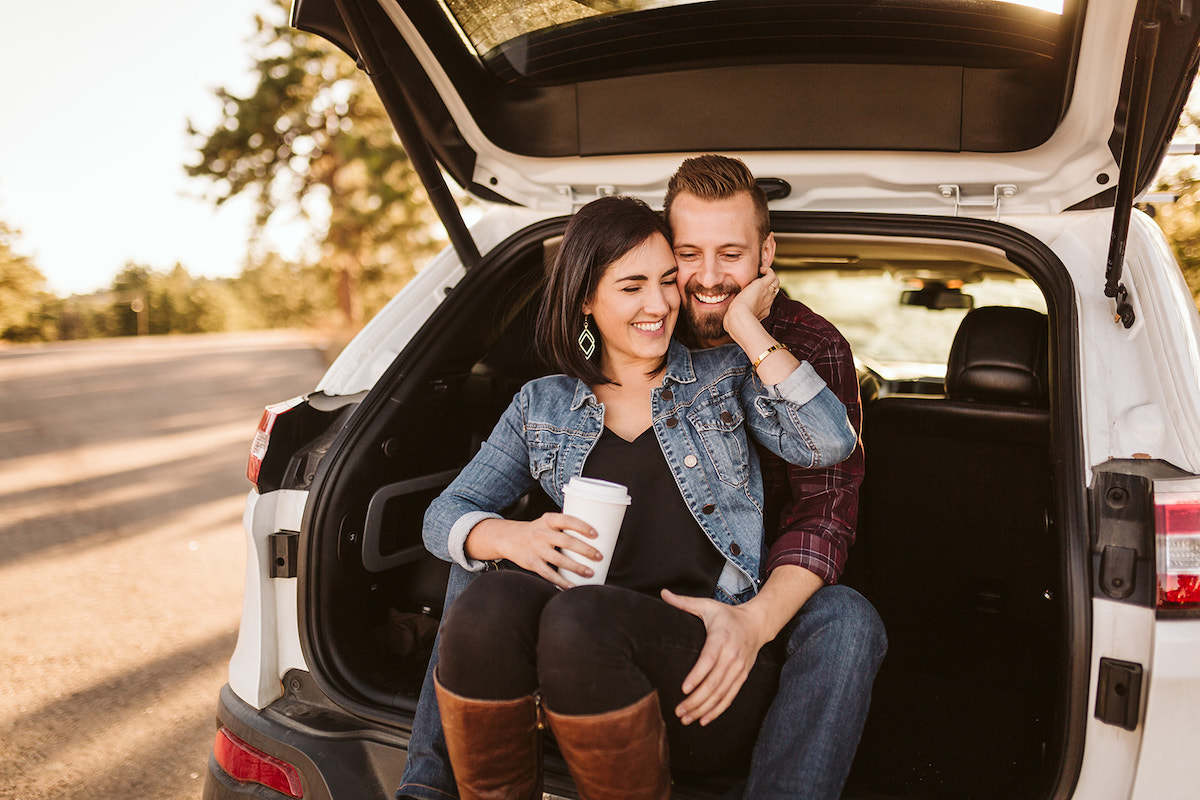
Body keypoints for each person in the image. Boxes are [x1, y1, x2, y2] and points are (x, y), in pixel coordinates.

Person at [419, 194, 857, 799]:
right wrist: (512, 536)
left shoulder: (723, 377)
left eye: (667, 282)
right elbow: (443, 514)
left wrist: (748, 328)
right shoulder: (541, 405)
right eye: (632, 287)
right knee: (485, 591)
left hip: (706, 667)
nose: (660, 304)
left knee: (578, 616)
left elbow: (830, 442)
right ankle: (428, 790)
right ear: (585, 300)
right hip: (583, 682)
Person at [662, 154, 885, 799]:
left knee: (849, 622)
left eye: (730, 254)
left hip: (763, 581)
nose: (707, 278)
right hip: (653, 568)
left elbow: (826, 511)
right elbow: (577, 366)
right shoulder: (644, 317)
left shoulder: (814, 346)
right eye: (688, 254)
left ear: (767, 253)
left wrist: (755, 622)